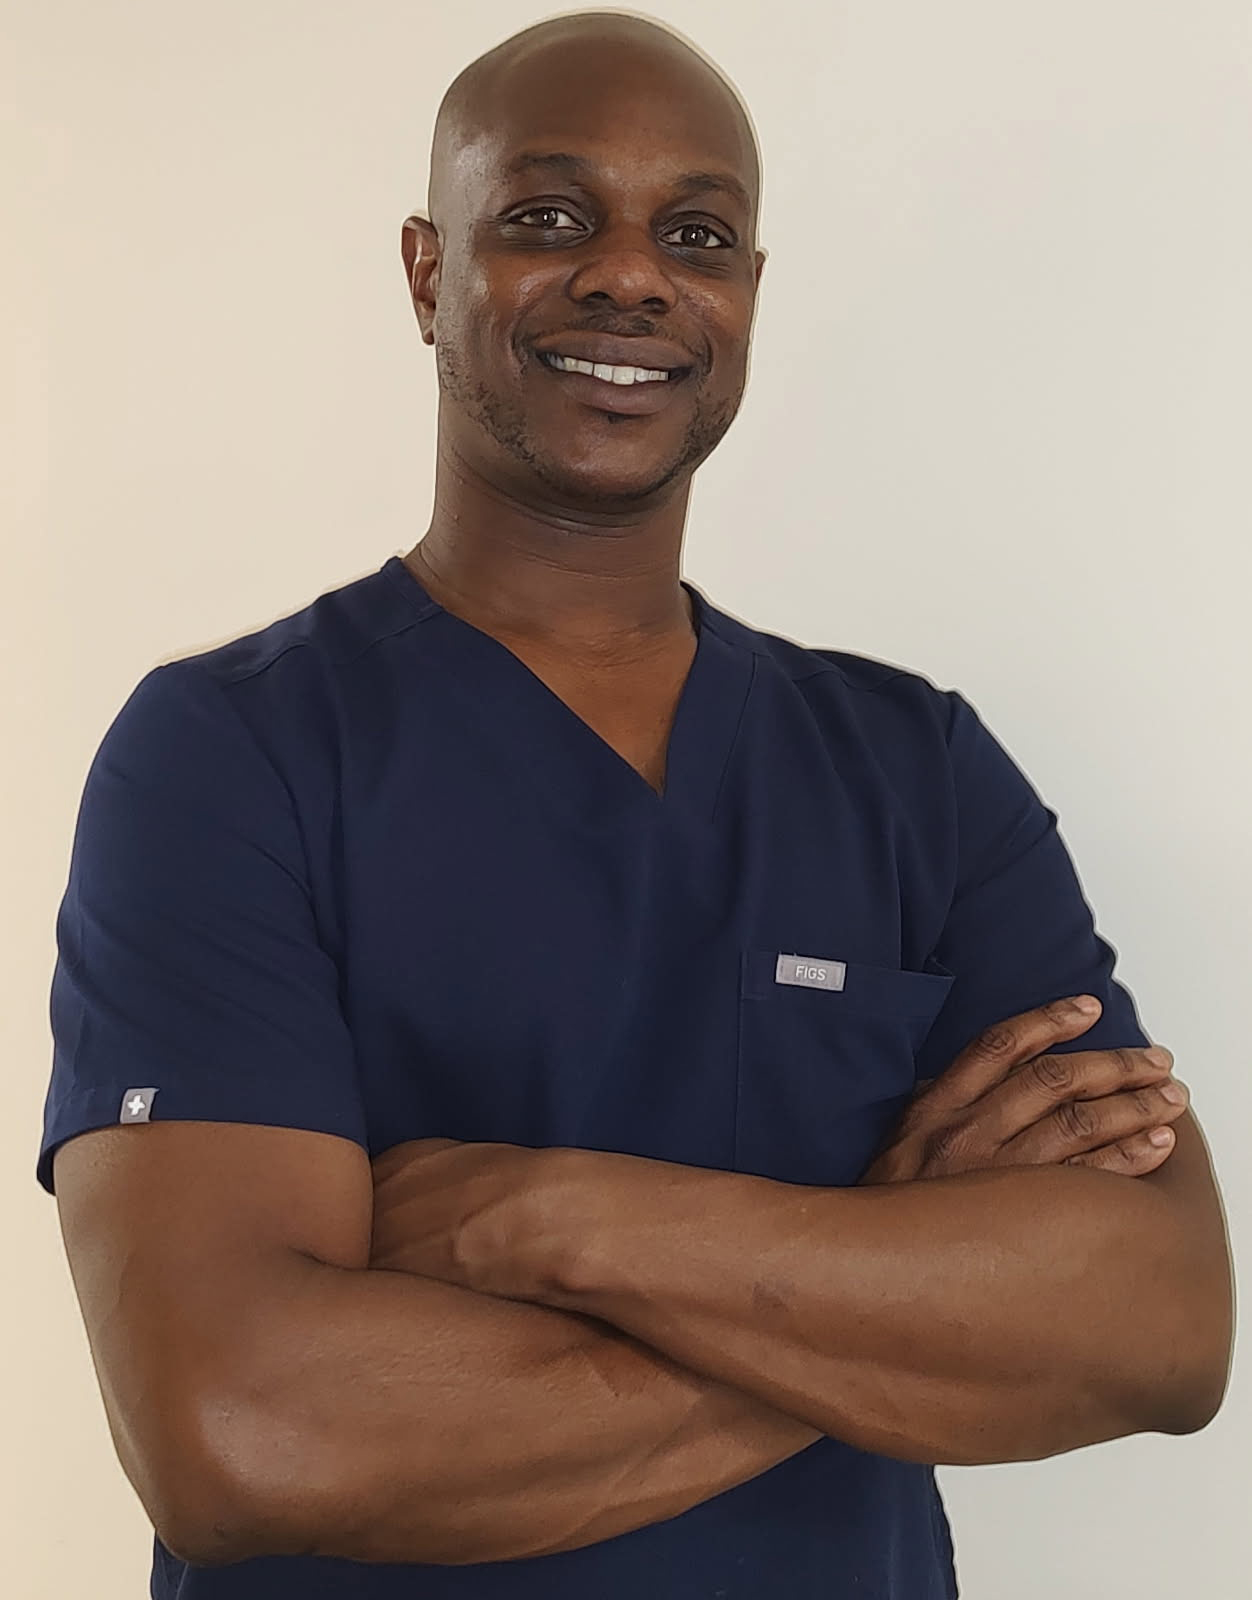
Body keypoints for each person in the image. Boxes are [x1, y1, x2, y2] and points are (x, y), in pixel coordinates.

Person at [40, 12, 1232, 1600]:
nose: (630, 274)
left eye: (699, 233)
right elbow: (244, 1432)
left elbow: (1159, 1326)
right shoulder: (231, 754)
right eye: (545, 218)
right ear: (424, 272)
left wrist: (549, 1222)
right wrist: (884, 1267)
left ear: (744, 294)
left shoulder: (916, 770)